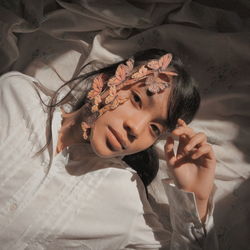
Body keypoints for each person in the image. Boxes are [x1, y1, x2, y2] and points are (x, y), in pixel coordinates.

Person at [0, 48, 217, 249]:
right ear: (105, 80)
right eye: (137, 99)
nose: (136, 128)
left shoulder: (125, 198)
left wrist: (197, 200)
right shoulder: (16, 95)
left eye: (154, 129)